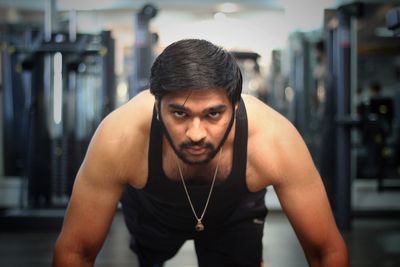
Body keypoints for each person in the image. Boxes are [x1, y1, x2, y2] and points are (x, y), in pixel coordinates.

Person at [52, 39, 349, 267]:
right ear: (157, 107)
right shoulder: (120, 136)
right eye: (179, 113)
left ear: (235, 106)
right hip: (152, 211)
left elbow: (326, 250)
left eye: (213, 114)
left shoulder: (274, 139)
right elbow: (75, 250)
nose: (196, 133)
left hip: (234, 213)